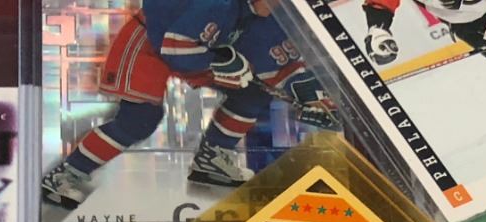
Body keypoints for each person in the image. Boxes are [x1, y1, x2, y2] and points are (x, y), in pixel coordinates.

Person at [39, 0, 330, 207]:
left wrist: (315, 100)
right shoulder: (218, 4)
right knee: (139, 120)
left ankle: (212, 160)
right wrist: (221, 62)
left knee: (253, 93)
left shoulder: (273, 16)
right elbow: (175, 46)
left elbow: (279, 67)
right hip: (151, 43)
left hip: (198, 49)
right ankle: (65, 175)